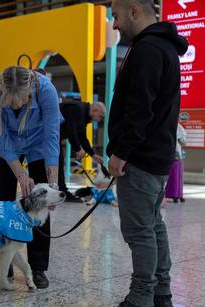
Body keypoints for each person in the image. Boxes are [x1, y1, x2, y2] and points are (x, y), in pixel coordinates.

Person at [108, 1, 188, 306]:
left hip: (139, 158)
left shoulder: (148, 50)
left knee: (139, 230)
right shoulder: (162, 47)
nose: (114, 24)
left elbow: (140, 108)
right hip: (156, 156)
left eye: (115, 16)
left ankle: (141, 296)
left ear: (133, 10)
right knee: (153, 224)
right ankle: (161, 291)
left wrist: (121, 153)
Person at [0, 65, 62, 289]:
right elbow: (1, 137)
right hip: (7, 148)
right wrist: (21, 174)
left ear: (31, 91)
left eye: (22, 101)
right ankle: (1, 265)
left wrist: (52, 184)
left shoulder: (46, 90)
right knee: (3, 203)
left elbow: (52, 137)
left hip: (38, 144)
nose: (17, 106)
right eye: (11, 102)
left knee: (40, 202)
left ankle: (38, 267)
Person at [59, 100, 106, 201]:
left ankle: (62, 191)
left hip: (54, 138)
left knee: (59, 161)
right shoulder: (77, 109)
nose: (100, 120)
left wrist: (93, 154)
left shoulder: (84, 116)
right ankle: (62, 192)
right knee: (58, 162)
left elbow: (82, 137)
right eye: (100, 116)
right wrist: (77, 148)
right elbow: (70, 129)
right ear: (95, 110)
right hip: (44, 135)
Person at [165, 123, 186, 203]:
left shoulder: (165, 122)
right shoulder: (178, 126)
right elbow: (183, 141)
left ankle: (172, 195)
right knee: (177, 176)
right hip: (176, 154)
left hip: (165, 154)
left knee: (170, 175)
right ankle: (177, 195)